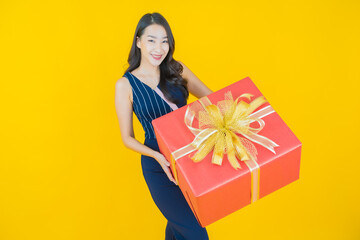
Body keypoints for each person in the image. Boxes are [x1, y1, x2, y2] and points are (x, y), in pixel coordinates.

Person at [115, 12, 213, 240]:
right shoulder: (125, 85)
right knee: (196, 234)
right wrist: (157, 157)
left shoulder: (177, 69)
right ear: (138, 42)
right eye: (151, 40)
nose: (158, 48)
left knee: (179, 228)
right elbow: (127, 138)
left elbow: (209, 98)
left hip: (191, 159)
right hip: (159, 166)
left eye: (164, 40)